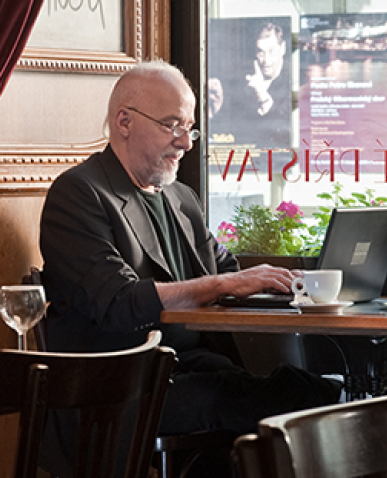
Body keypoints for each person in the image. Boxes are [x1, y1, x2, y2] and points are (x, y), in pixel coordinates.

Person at [38, 59, 340, 475]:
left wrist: (293, 286)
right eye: (171, 125)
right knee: (285, 402)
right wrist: (223, 283)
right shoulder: (80, 194)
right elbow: (121, 303)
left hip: (196, 372)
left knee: (314, 389)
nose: (186, 142)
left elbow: (229, 276)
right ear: (123, 121)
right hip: (122, 391)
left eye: (190, 128)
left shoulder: (181, 199)